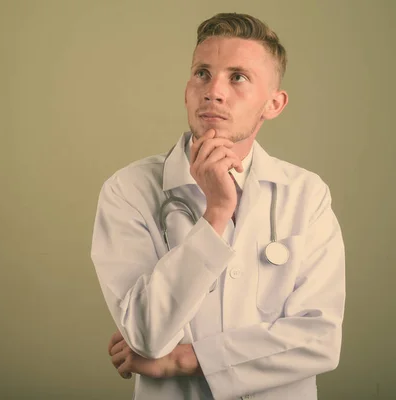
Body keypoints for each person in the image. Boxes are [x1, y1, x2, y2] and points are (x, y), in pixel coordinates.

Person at [90, 12, 346, 400]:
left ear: (273, 104)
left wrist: (187, 359)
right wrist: (217, 213)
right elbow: (144, 334)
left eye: (238, 77)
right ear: (187, 89)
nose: (214, 91)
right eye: (202, 74)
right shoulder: (128, 190)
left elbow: (320, 340)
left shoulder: (306, 195)